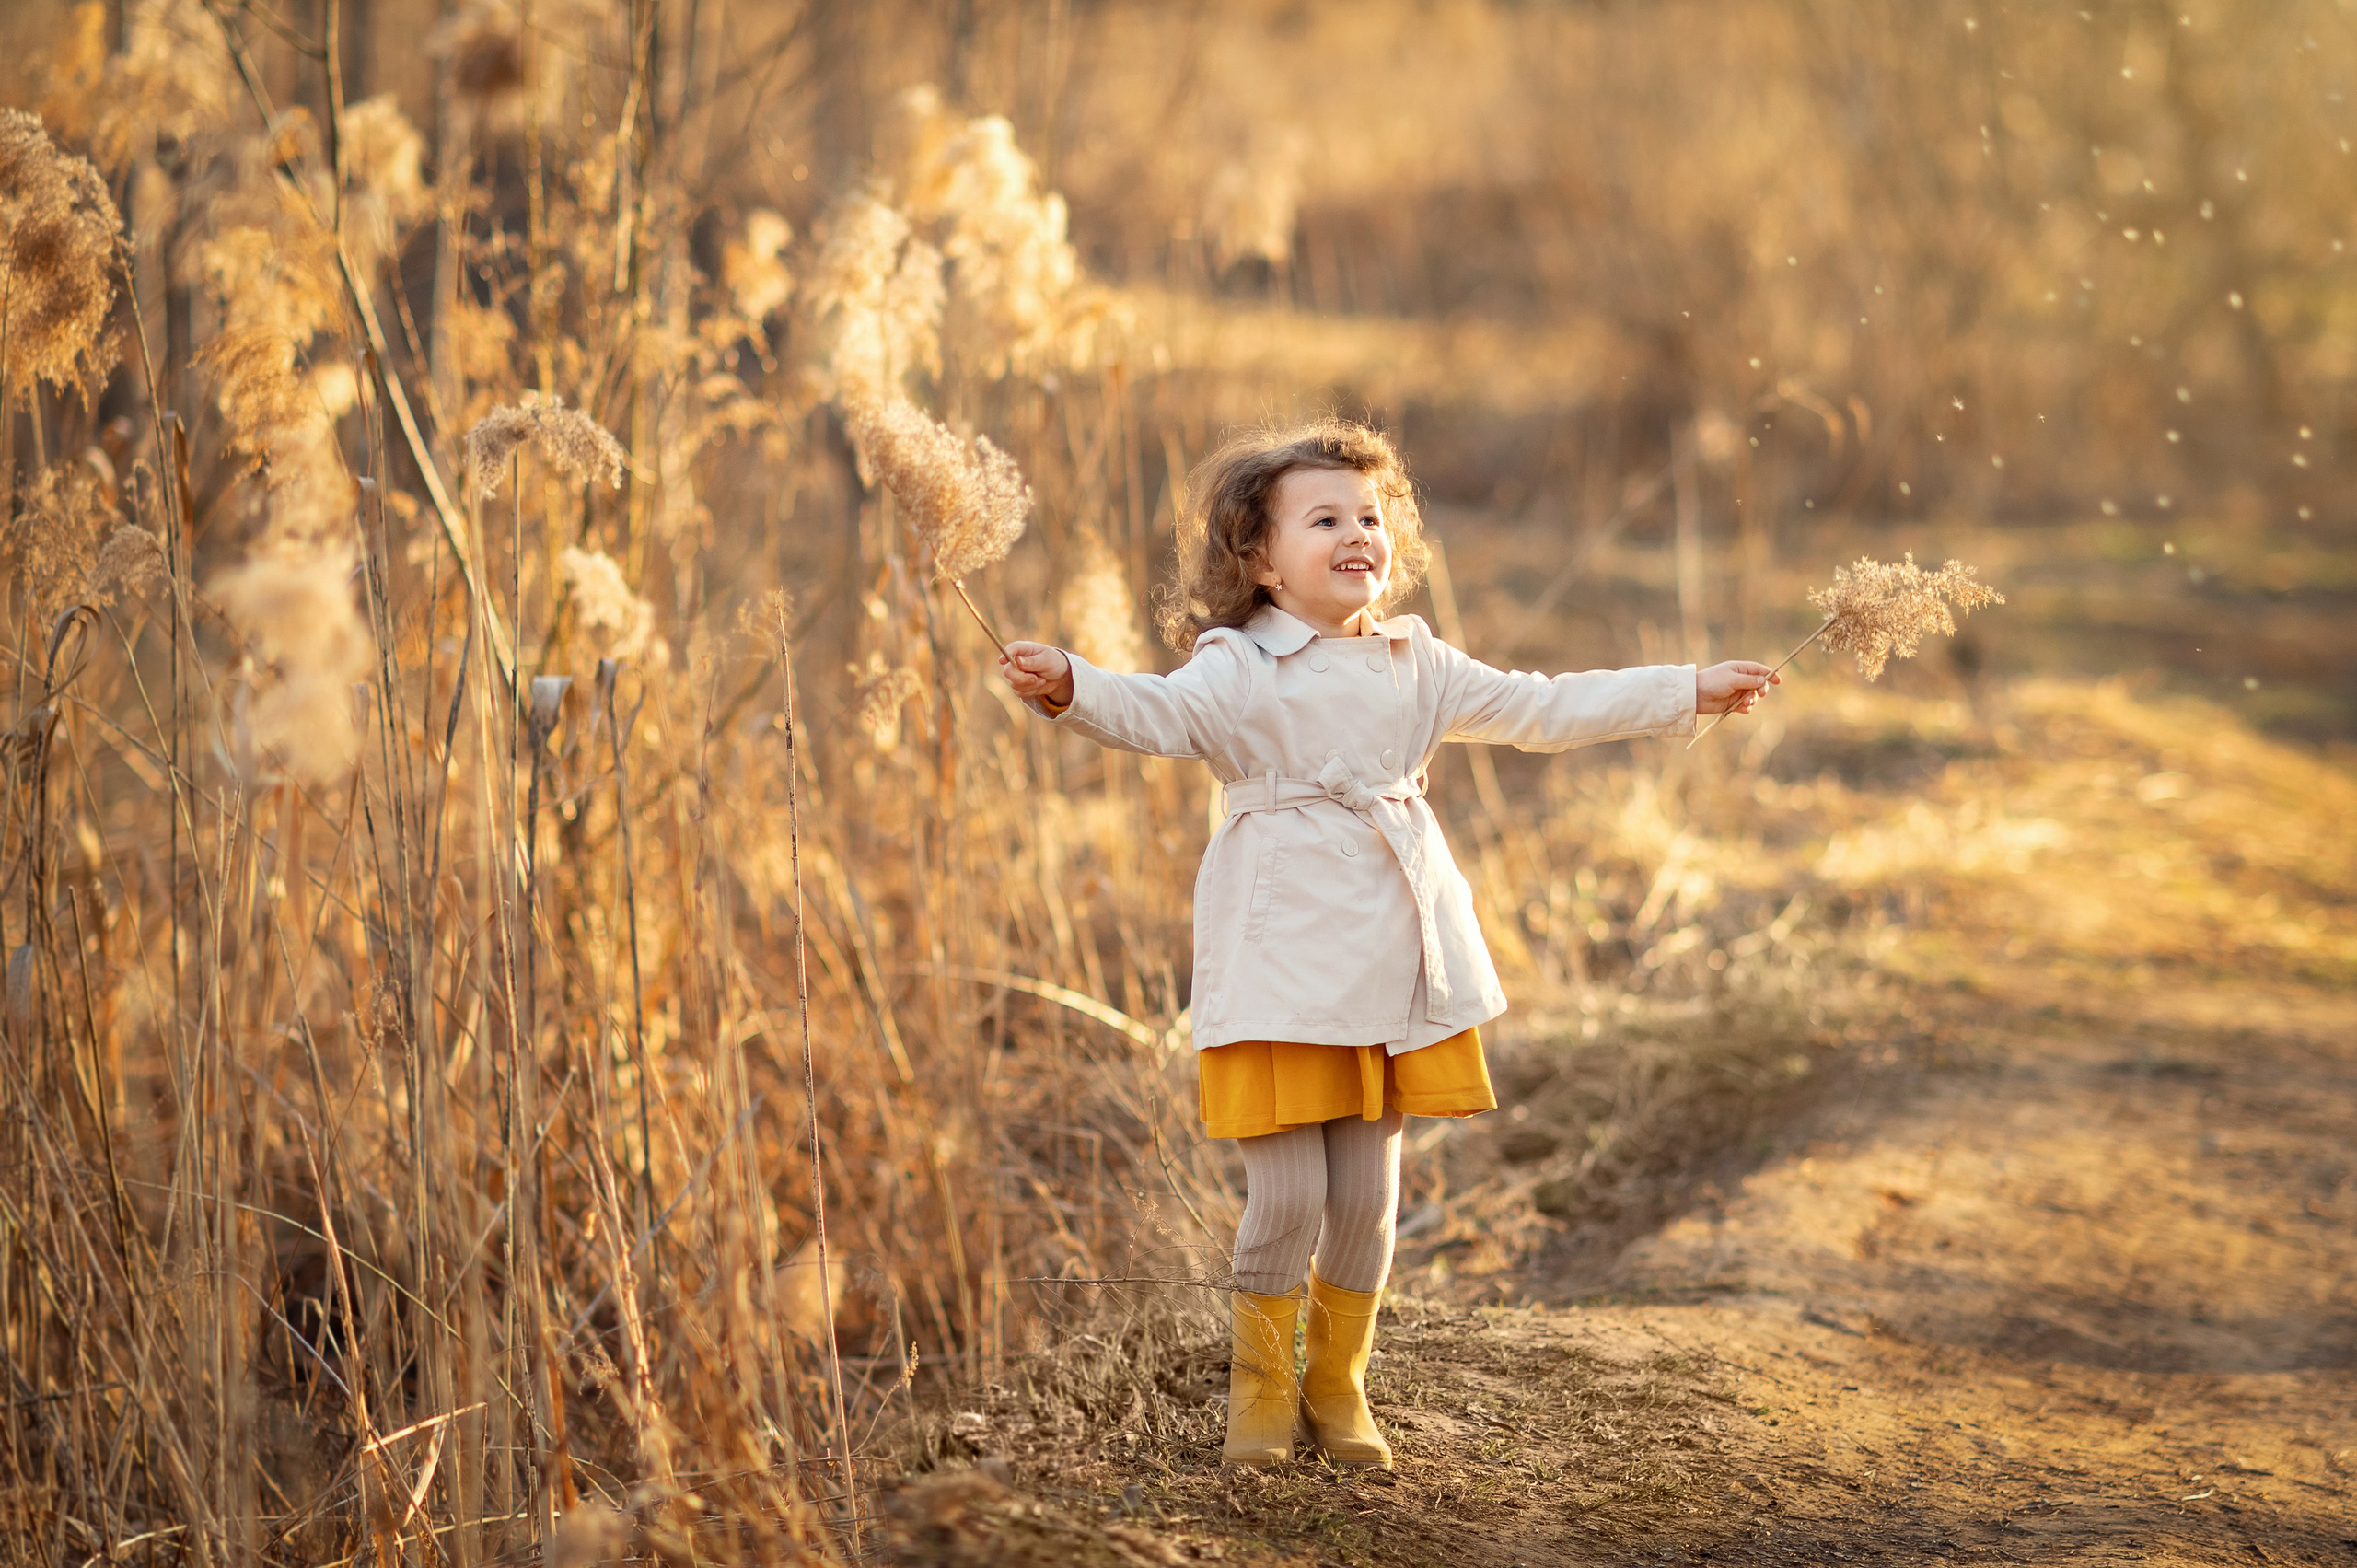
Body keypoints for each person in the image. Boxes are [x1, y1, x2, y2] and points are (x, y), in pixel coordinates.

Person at [999, 419, 1775, 1469]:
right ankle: (1261, 1391)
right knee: (1287, 1194)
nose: (1356, 533)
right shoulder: (1235, 665)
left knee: (1366, 1197)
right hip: (1280, 960)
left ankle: (1338, 1383)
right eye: (1324, 518)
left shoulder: (1419, 661)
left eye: (1370, 516)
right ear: (1260, 560)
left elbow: (1544, 707)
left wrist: (1684, 686)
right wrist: (1069, 682)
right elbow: (1155, 713)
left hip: (1395, 953)